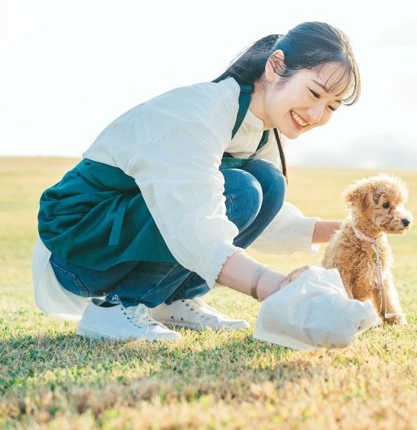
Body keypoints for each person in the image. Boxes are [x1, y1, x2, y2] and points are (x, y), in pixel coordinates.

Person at [32, 21, 361, 341]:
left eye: (330, 106)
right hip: (77, 250)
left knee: (268, 183)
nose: (317, 116)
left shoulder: (264, 132)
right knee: (243, 189)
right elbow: (198, 226)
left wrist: (352, 230)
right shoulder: (198, 112)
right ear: (276, 66)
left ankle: (170, 301)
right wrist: (273, 286)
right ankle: (115, 307)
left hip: (118, 239)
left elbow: (263, 220)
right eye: (314, 93)